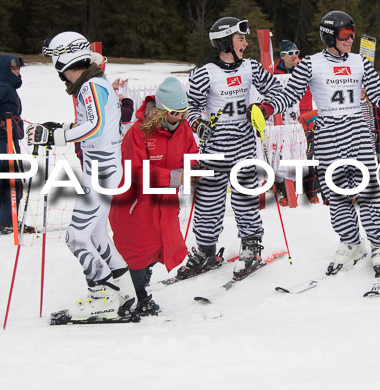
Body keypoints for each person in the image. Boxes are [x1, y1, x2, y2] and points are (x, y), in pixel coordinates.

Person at [255, 10, 380, 276]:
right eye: (344, 34)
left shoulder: (360, 61)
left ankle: (378, 245)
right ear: (330, 36)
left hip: (357, 130)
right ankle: (351, 242)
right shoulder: (310, 64)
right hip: (328, 132)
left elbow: (377, 93)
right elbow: (290, 94)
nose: (350, 39)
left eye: (352, 33)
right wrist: (267, 108)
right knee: (336, 193)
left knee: (368, 192)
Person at [28, 31, 137, 321]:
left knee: (76, 237)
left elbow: (95, 126)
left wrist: (57, 135)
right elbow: (91, 123)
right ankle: (127, 294)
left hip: (101, 171)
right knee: (98, 237)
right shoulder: (94, 84)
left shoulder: (91, 85)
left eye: (54, 58)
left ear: (66, 57)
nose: (56, 68)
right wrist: (58, 127)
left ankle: (101, 296)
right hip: (103, 169)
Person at [185, 16, 283, 280]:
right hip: (214, 149)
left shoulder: (250, 67)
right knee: (208, 202)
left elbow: (275, 88)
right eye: (241, 39)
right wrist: (197, 123)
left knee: (244, 199)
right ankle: (206, 250)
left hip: (242, 146)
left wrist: (263, 108)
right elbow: (190, 106)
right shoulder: (204, 73)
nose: (246, 43)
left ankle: (251, 247)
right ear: (226, 42)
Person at [110, 77, 199, 314]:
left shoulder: (184, 128)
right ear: (160, 110)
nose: (178, 116)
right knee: (137, 251)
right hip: (137, 203)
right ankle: (137, 296)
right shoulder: (138, 132)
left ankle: (140, 288)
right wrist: (175, 178)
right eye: (173, 112)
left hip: (165, 203)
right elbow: (135, 170)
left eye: (182, 111)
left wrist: (194, 171)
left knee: (158, 248)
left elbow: (192, 155)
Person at [0, 54, 34, 235]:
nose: (17, 72)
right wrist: (1, 123)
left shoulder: (7, 87)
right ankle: (8, 221)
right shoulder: (3, 86)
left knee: (4, 180)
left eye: (18, 69)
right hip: (5, 138)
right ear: (4, 70)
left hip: (6, 138)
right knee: (13, 179)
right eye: (13, 69)